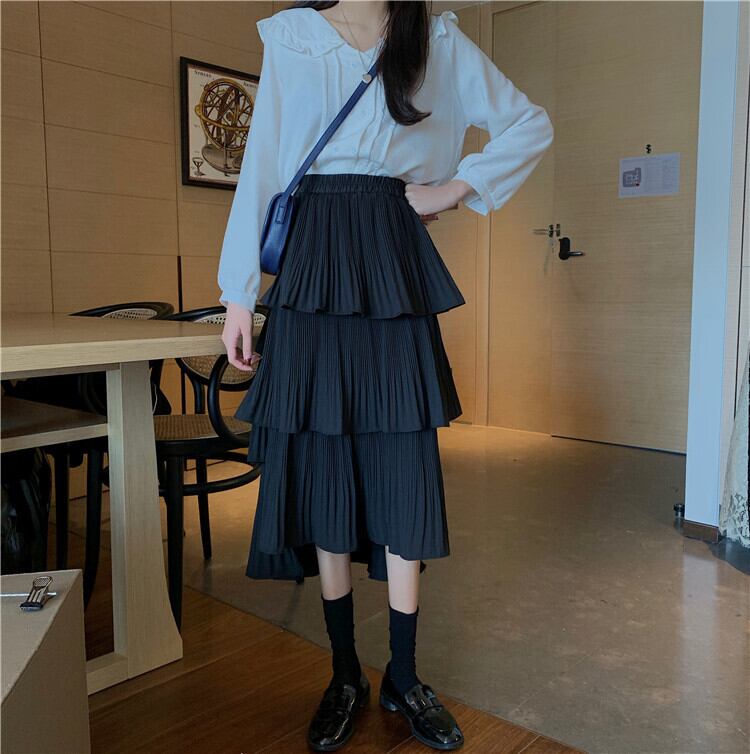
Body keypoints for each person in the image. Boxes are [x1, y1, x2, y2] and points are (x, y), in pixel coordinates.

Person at [217, 2, 553, 750]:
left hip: (391, 254)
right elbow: (263, 163)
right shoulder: (294, 36)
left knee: (403, 462)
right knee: (327, 462)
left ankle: (404, 674)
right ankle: (344, 673)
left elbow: (529, 123)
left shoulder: (436, 40)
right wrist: (238, 292)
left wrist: (451, 188)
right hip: (311, 262)